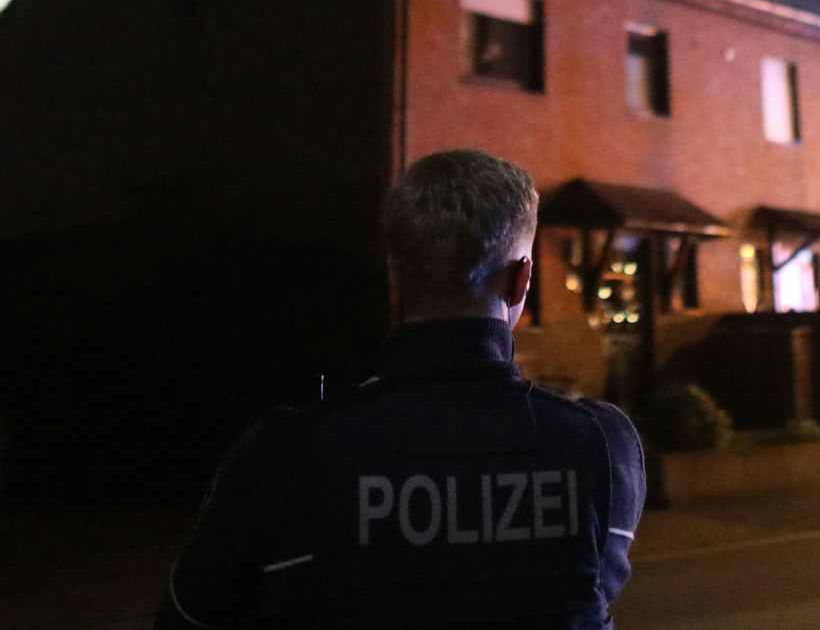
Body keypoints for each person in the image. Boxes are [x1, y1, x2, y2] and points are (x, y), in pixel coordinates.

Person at [158, 149, 646, 629]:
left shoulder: (283, 456)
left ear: (398, 276)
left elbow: (188, 616)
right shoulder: (602, 447)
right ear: (521, 279)